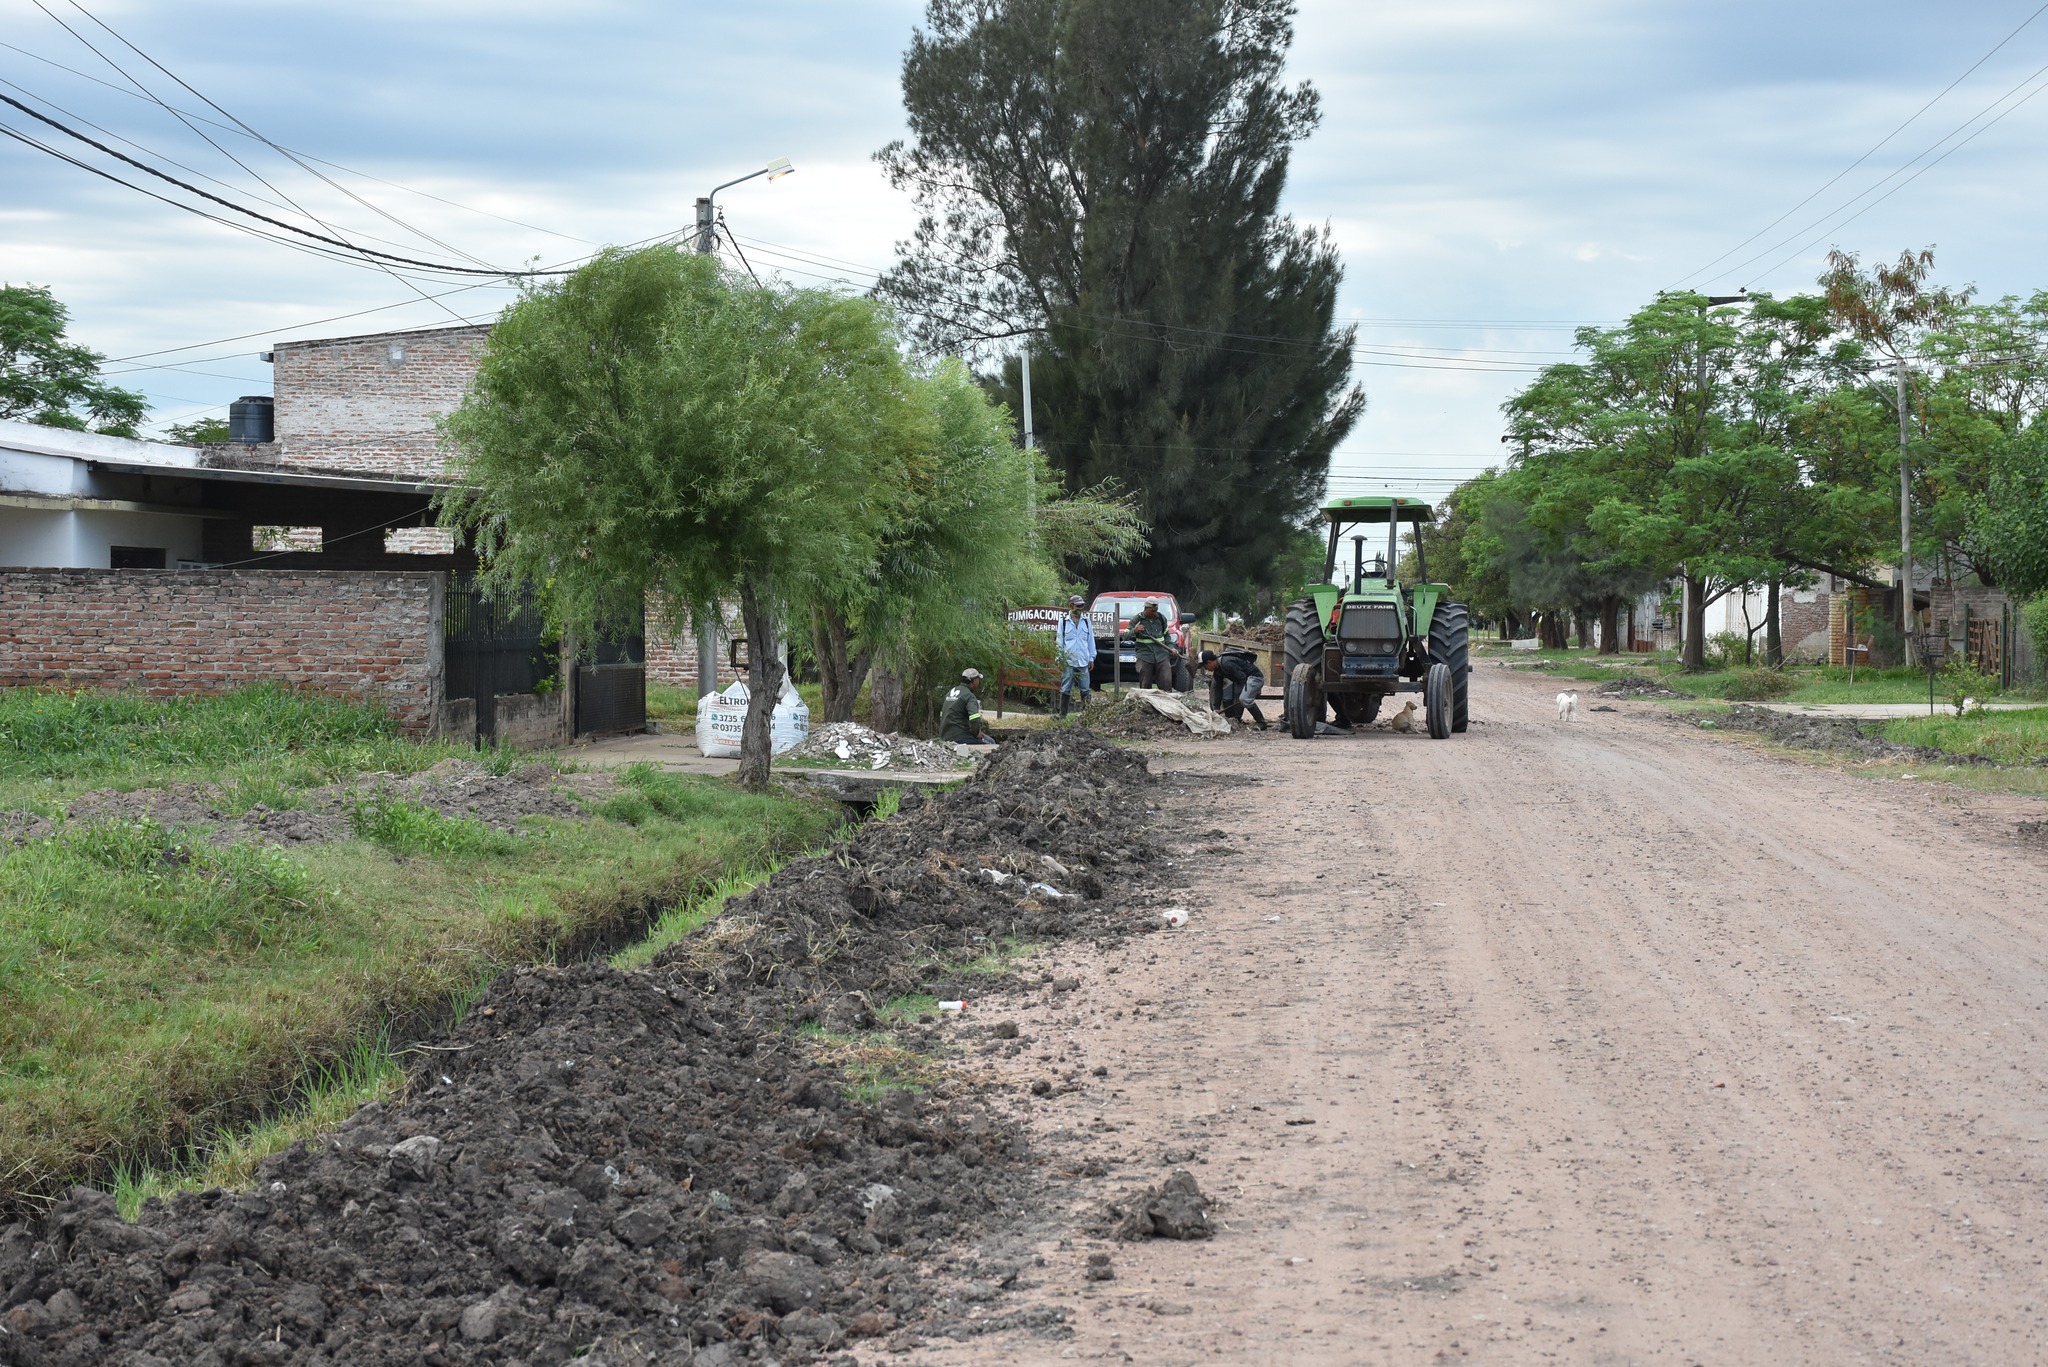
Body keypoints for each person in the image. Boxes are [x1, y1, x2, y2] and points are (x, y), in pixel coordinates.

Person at [1200, 649, 1269, 730]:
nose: (1206, 669)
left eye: (1205, 667)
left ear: (1209, 662)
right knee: (1226, 694)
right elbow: (1217, 688)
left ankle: (1261, 723)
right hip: (1243, 680)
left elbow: (1242, 678)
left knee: (1244, 699)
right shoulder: (1218, 670)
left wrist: (1253, 691)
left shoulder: (1226, 663)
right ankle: (1231, 719)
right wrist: (1216, 708)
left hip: (1255, 678)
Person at [1054, 594, 1095, 718]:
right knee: (1065, 687)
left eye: (1082, 606)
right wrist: (1059, 658)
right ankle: (1062, 715)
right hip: (1068, 660)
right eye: (1078, 606)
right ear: (1071, 606)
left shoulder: (1087, 622)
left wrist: (1091, 657)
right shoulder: (1064, 622)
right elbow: (1059, 641)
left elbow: (1090, 641)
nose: (1080, 608)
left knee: (1085, 689)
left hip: (1083, 659)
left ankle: (1087, 716)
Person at [940, 668, 994, 744]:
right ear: (974, 681)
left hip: (945, 736)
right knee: (991, 742)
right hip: (960, 737)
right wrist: (976, 733)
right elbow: (974, 718)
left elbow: (942, 714)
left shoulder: (950, 692)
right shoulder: (969, 696)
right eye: (978, 679)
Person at [1130, 599, 1175, 690]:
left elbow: (1167, 637)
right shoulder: (1137, 619)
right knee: (1145, 685)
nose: (1155, 613)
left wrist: (1171, 648)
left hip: (1162, 655)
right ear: (1146, 609)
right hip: (1145, 656)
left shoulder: (1161, 619)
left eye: (1156, 610)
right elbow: (1125, 636)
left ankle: (1166, 702)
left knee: (1167, 681)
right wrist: (1134, 630)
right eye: (1152, 611)